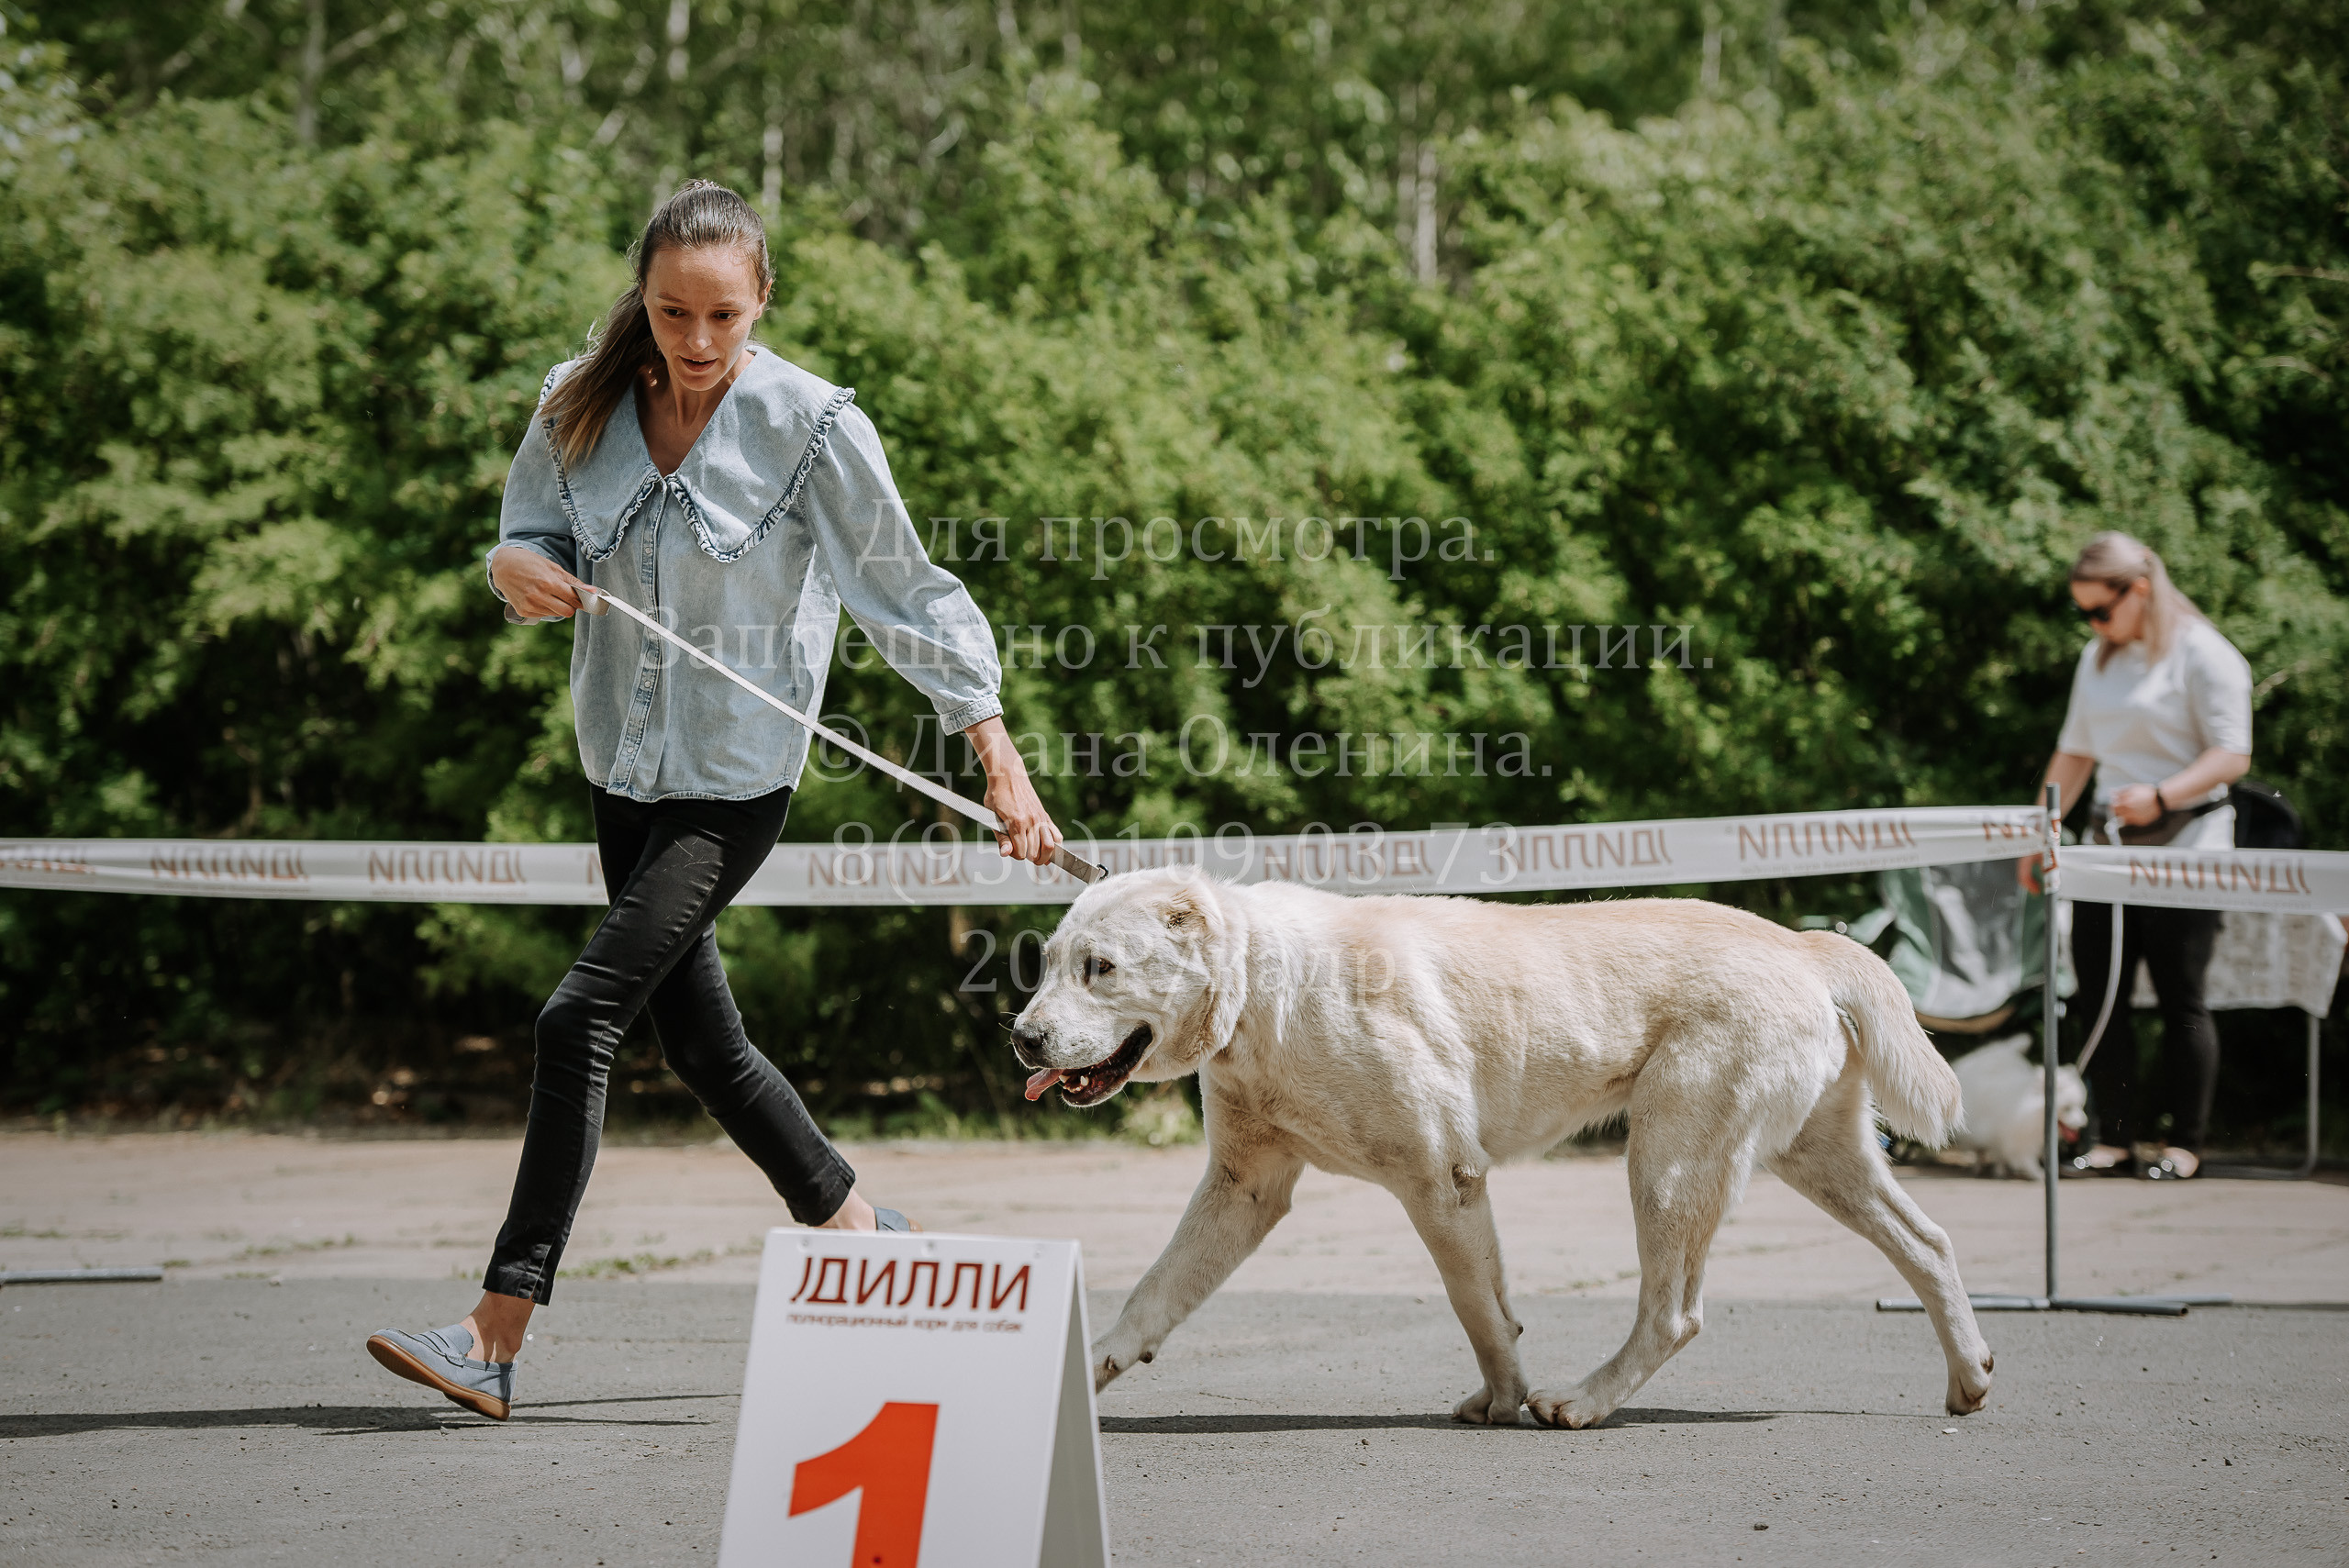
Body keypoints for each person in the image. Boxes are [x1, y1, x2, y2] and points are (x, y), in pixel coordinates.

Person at [365, 181, 1063, 1420]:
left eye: (723, 318)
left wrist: (999, 764)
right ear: (643, 295)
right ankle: (862, 1224)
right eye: (673, 312)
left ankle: (494, 1330)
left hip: (733, 781)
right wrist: (515, 570)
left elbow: (908, 593)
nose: (695, 344)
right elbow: (526, 536)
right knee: (702, 1042)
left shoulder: (811, 424)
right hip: (618, 765)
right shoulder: (577, 395)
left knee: (574, 1017)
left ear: (763, 304)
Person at [2021, 532, 2251, 1181]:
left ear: (2139, 589)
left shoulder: (2205, 655)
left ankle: (2185, 1144)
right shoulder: (2098, 659)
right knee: (2100, 996)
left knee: (2183, 998)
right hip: (2106, 848)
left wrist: (2162, 794)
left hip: (2189, 843)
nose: (2093, 624)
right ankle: (2115, 1138)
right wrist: (2039, 832)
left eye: (2101, 610)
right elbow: (2075, 753)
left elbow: (2233, 753)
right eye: (2084, 613)